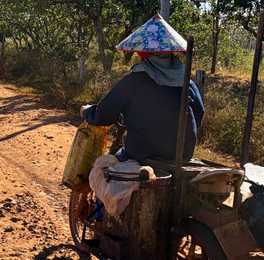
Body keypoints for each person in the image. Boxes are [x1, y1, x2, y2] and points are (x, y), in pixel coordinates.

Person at [82, 14, 204, 163]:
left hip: (142, 155)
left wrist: (87, 111)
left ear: (143, 54)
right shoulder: (188, 83)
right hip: (182, 157)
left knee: (103, 169)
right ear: (172, 55)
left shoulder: (133, 81)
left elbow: (103, 115)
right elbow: (199, 114)